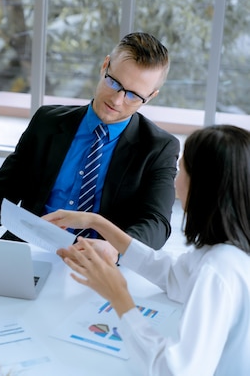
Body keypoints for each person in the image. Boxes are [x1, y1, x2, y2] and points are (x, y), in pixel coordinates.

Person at [0, 32, 180, 260]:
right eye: (114, 83)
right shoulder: (47, 122)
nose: (117, 100)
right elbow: (0, 191)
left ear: (150, 97)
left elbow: (156, 222)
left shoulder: (159, 148)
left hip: (98, 263)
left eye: (133, 95)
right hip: (27, 251)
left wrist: (115, 249)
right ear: (105, 66)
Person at [45, 124, 250, 374]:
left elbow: (174, 370)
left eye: (181, 170)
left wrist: (118, 296)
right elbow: (173, 275)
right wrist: (97, 222)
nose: (175, 181)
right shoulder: (228, 252)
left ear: (202, 185)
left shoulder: (217, 269)